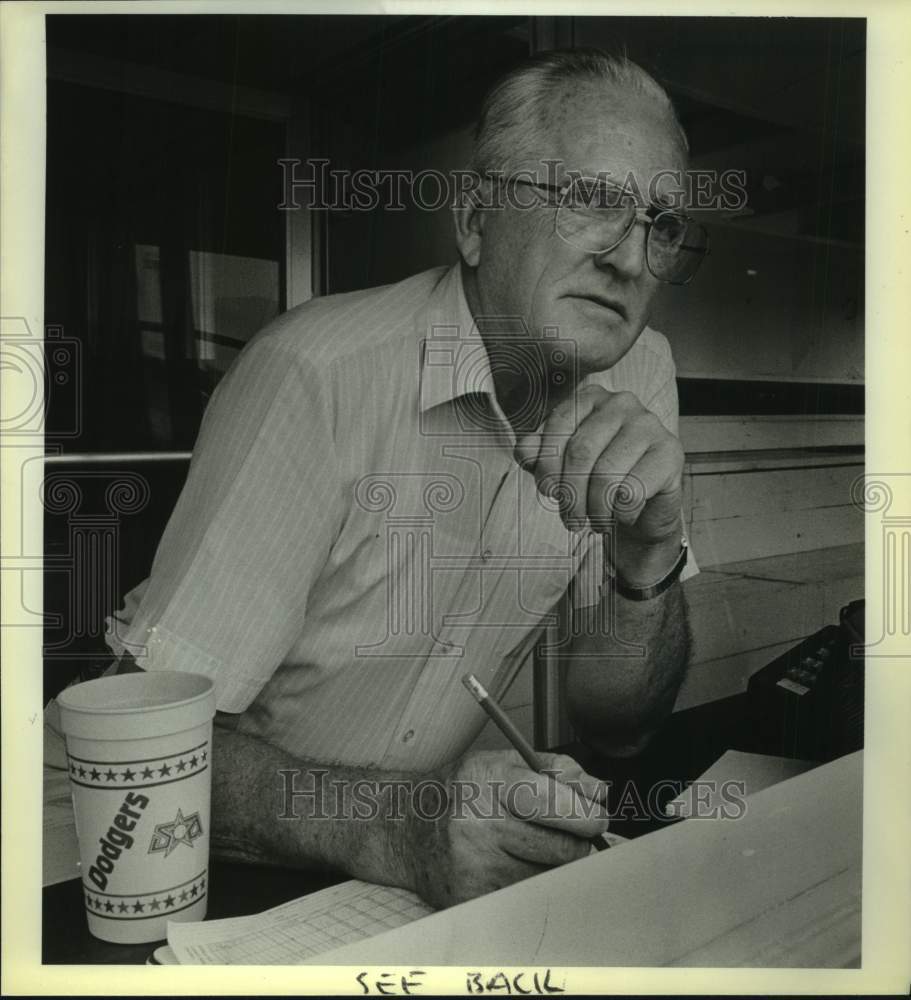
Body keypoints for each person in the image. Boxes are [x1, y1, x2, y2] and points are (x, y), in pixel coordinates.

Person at [102, 48, 706, 909]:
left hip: (383, 880)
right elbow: (144, 745)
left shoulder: (642, 375)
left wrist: (647, 563)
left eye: (662, 225)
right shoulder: (315, 371)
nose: (630, 258)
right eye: (589, 200)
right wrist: (400, 827)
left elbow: (622, 725)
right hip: (156, 862)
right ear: (474, 220)